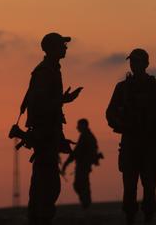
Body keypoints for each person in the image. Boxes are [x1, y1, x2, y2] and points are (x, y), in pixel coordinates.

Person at [106, 48, 156, 224]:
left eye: (137, 61)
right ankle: (130, 218)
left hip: (150, 144)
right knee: (129, 187)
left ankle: (148, 217)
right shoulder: (122, 88)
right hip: (130, 143)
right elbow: (110, 113)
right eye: (132, 61)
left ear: (146, 64)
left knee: (149, 186)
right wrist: (121, 125)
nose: (134, 65)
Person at [24, 32, 83, 225]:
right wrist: (63, 100)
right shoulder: (44, 72)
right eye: (61, 45)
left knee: (47, 184)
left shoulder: (51, 70)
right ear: (52, 49)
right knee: (46, 185)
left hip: (49, 135)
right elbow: (40, 106)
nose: (65, 48)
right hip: (45, 136)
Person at [61, 118, 103, 210]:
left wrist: (65, 164)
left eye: (79, 125)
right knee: (82, 185)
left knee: (80, 185)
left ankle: (86, 204)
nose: (77, 127)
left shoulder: (86, 136)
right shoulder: (87, 136)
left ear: (83, 125)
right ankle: (86, 204)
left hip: (83, 165)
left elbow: (76, 152)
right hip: (84, 165)